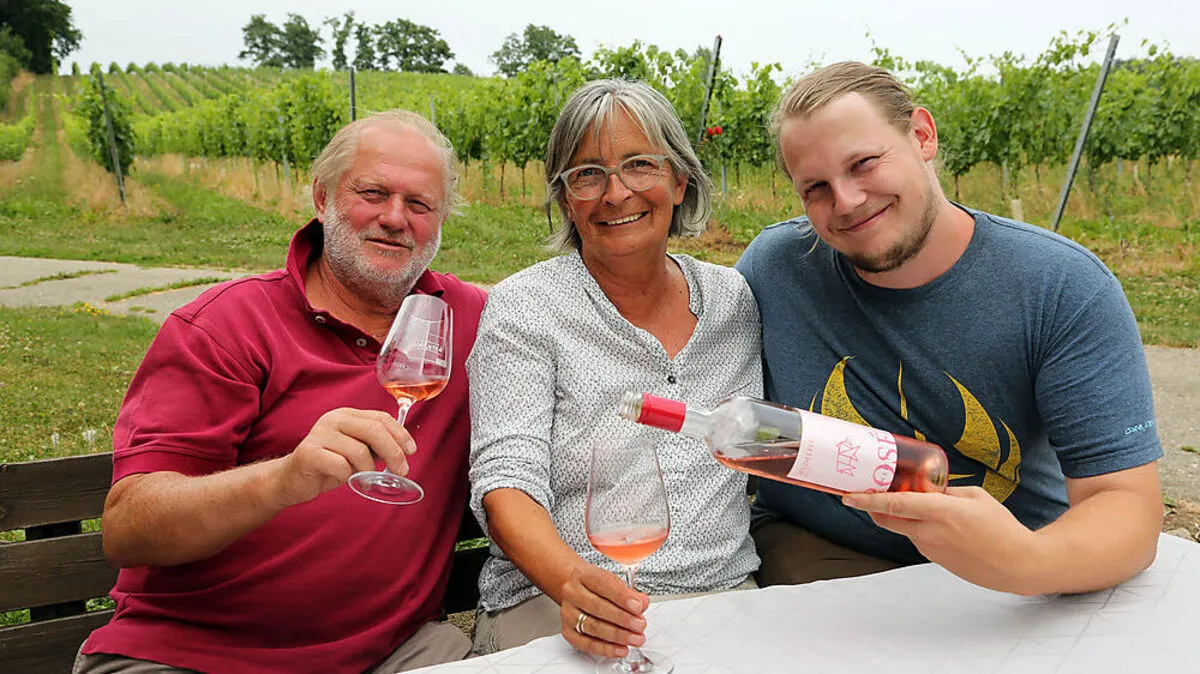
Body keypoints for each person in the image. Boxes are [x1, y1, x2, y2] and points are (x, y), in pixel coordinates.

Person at [76, 110, 487, 673]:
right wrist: (283, 479)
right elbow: (128, 529)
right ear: (322, 197)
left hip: (390, 652)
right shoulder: (227, 326)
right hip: (196, 655)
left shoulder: (475, 321)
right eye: (372, 193)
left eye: (419, 204)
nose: (395, 218)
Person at [736, 61, 1163, 596]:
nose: (845, 201)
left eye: (864, 163)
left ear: (922, 135)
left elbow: (1126, 505)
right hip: (818, 560)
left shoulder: (1060, 287)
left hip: (1014, 575)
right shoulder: (774, 269)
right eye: (815, 188)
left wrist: (1023, 562)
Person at [467, 79, 762, 659]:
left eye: (639, 164)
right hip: (555, 603)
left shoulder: (733, 301)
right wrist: (573, 584)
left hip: (724, 597)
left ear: (680, 180)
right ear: (566, 199)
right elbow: (505, 479)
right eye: (586, 174)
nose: (615, 192)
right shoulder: (524, 309)